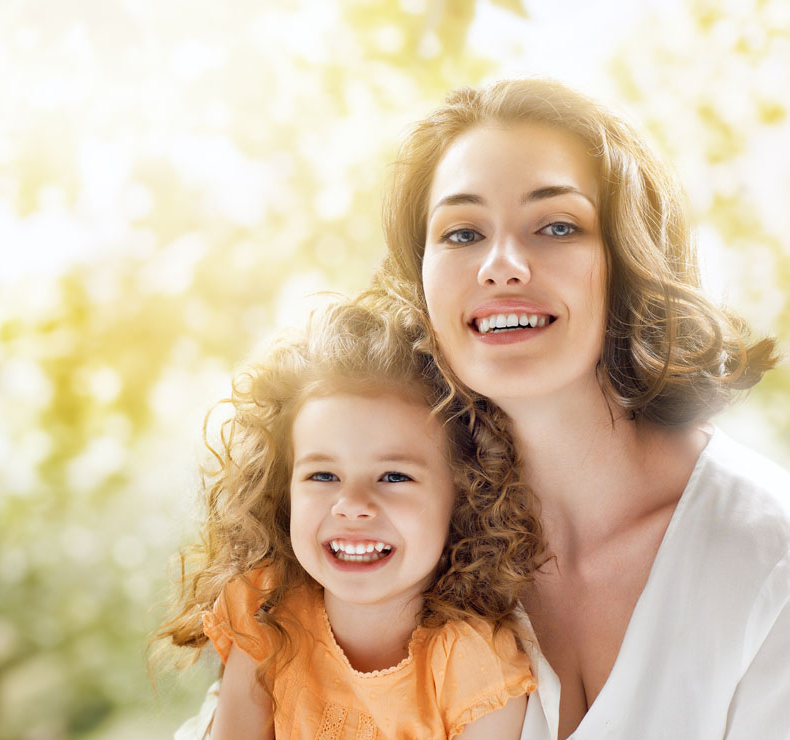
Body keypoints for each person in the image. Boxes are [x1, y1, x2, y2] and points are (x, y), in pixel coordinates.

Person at [374, 78, 790, 739]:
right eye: (461, 233)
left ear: (627, 260)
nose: (501, 265)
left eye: (557, 226)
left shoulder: (770, 556)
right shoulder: (386, 533)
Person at [159, 299, 537, 739]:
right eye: (323, 475)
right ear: (284, 491)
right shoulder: (267, 613)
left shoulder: (474, 667)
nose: (352, 504)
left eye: (394, 476)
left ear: (464, 496)